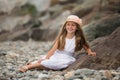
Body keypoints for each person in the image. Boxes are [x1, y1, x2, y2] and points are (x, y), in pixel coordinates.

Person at [19, 15, 96, 72]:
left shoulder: (78, 38)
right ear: (65, 26)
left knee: (58, 65)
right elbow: (53, 50)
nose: (70, 27)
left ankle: (34, 65)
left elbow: (85, 46)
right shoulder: (62, 37)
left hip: (67, 58)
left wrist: (89, 51)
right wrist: (46, 57)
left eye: (73, 25)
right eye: (68, 25)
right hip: (57, 55)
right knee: (48, 62)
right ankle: (29, 67)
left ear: (77, 28)